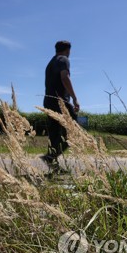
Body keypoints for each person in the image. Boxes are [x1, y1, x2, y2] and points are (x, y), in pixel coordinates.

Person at [42, 40, 80, 173]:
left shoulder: (51, 62)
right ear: (68, 50)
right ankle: (51, 156)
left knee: (54, 133)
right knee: (74, 131)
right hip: (60, 102)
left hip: (48, 101)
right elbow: (65, 77)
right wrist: (74, 98)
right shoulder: (63, 59)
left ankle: (53, 165)